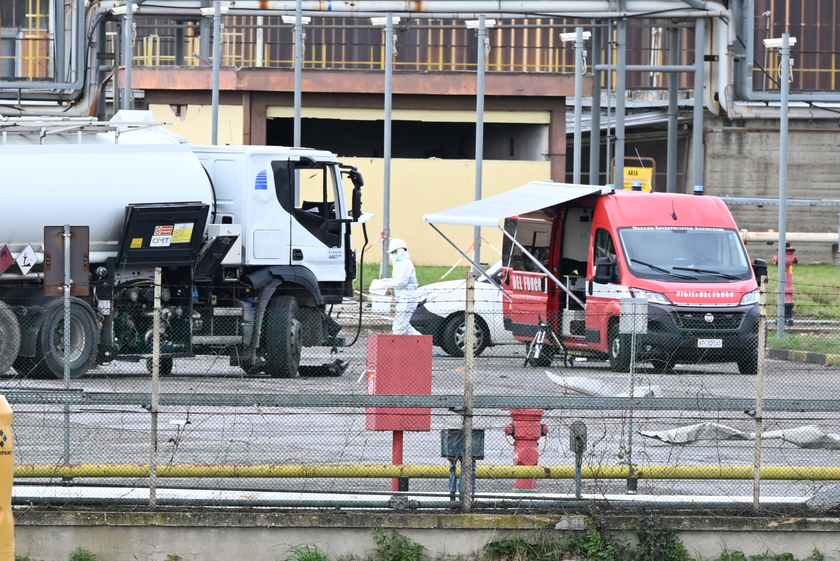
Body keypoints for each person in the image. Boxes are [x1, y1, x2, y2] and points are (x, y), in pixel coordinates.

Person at [387, 238, 422, 335]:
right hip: (403, 297)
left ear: (399, 251)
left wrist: (388, 284)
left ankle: (405, 347)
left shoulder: (405, 263)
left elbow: (402, 282)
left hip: (407, 298)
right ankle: (422, 345)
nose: (392, 255)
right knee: (405, 326)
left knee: (398, 328)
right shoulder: (398, 263)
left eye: (393, 252)